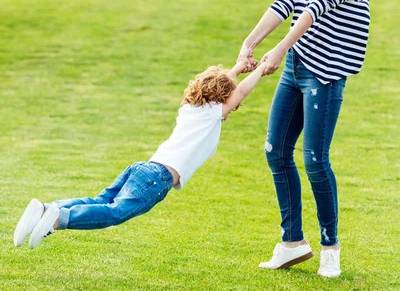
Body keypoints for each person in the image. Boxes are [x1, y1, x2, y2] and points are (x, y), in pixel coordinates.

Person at [238, 0, 400, 278]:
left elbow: (314, 9)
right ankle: (291, 243)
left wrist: (276, 51)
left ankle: (330, 248)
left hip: (324, 76)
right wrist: (250, 43)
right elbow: (287, 1)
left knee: (314, 160)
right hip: (296, 69)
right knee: (276, 151)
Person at [14, 59, 268, 250]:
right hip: (158, 178)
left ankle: (47, 208)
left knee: (100, 200)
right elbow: (240, 92)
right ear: (224, 97)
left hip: (144, 168)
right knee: (116, 213)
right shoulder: (214, 114)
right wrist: (261, 68)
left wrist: (237, 67)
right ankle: (58, 218)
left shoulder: (191, 107)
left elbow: (222, 87)